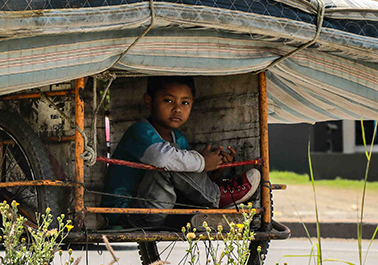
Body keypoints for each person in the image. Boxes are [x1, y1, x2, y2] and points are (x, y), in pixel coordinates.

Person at [101, 76, 261, 229]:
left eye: (185, 102)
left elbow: (186, 182)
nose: (177, 109)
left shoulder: (178, 138)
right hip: (128, 213)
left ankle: (207, 216)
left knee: (182, 164)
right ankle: (218, 198)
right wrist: (202, 162)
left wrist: (215, 170)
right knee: (170, 163)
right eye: (168, 100)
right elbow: (162, 158)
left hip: (166, 210)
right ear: (149, 101)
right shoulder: (139, 132)